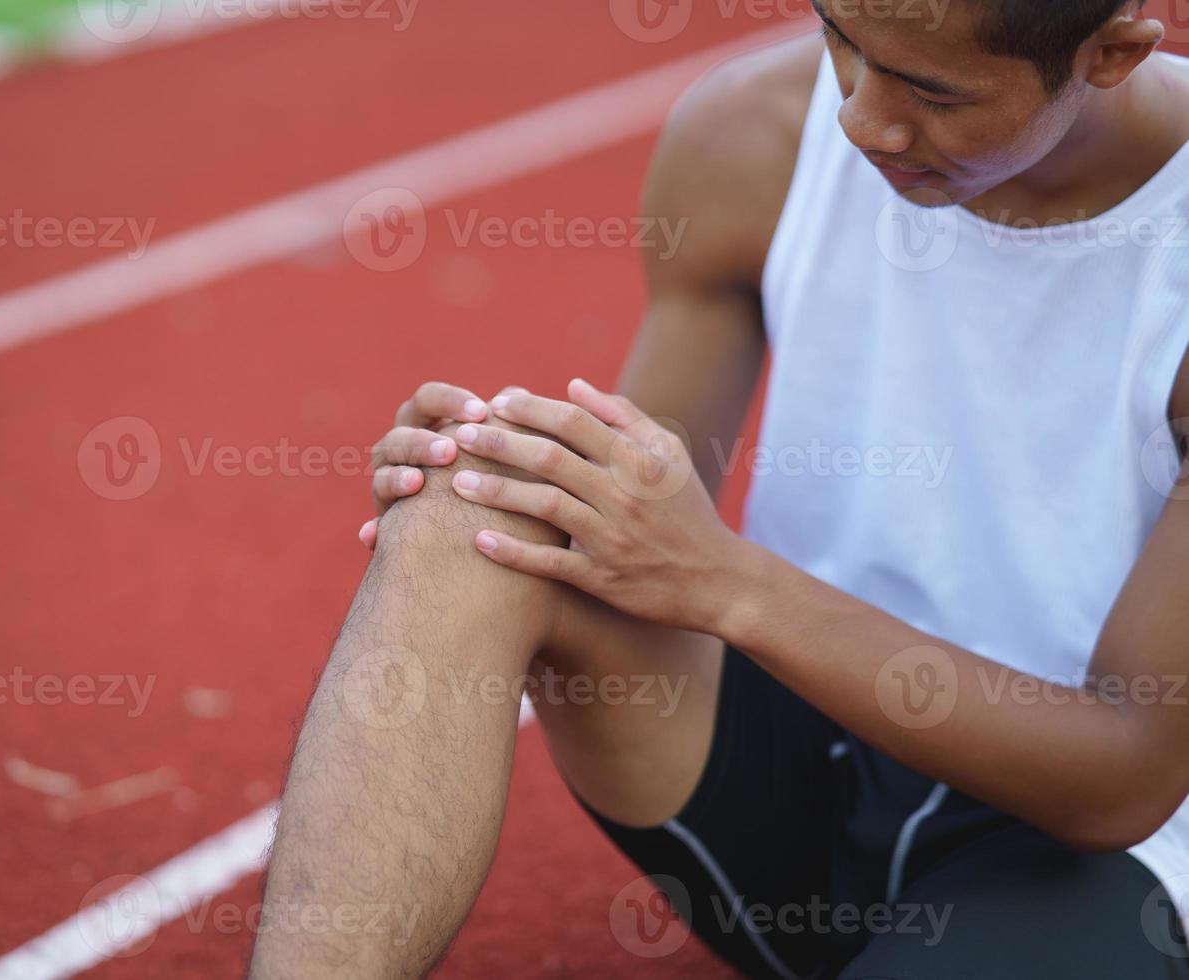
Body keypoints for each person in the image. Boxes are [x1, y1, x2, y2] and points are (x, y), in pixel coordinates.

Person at [251, 1, 1189, 976]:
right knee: (478, 508)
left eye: (933, 91)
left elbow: (1121, 777)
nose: (863, 120)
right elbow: (622, 526)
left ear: (1111, 53)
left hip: (1104, 855)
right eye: (845, 42)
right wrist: (509, 464)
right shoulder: (755, 135)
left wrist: (730, 581)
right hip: (803, 760)